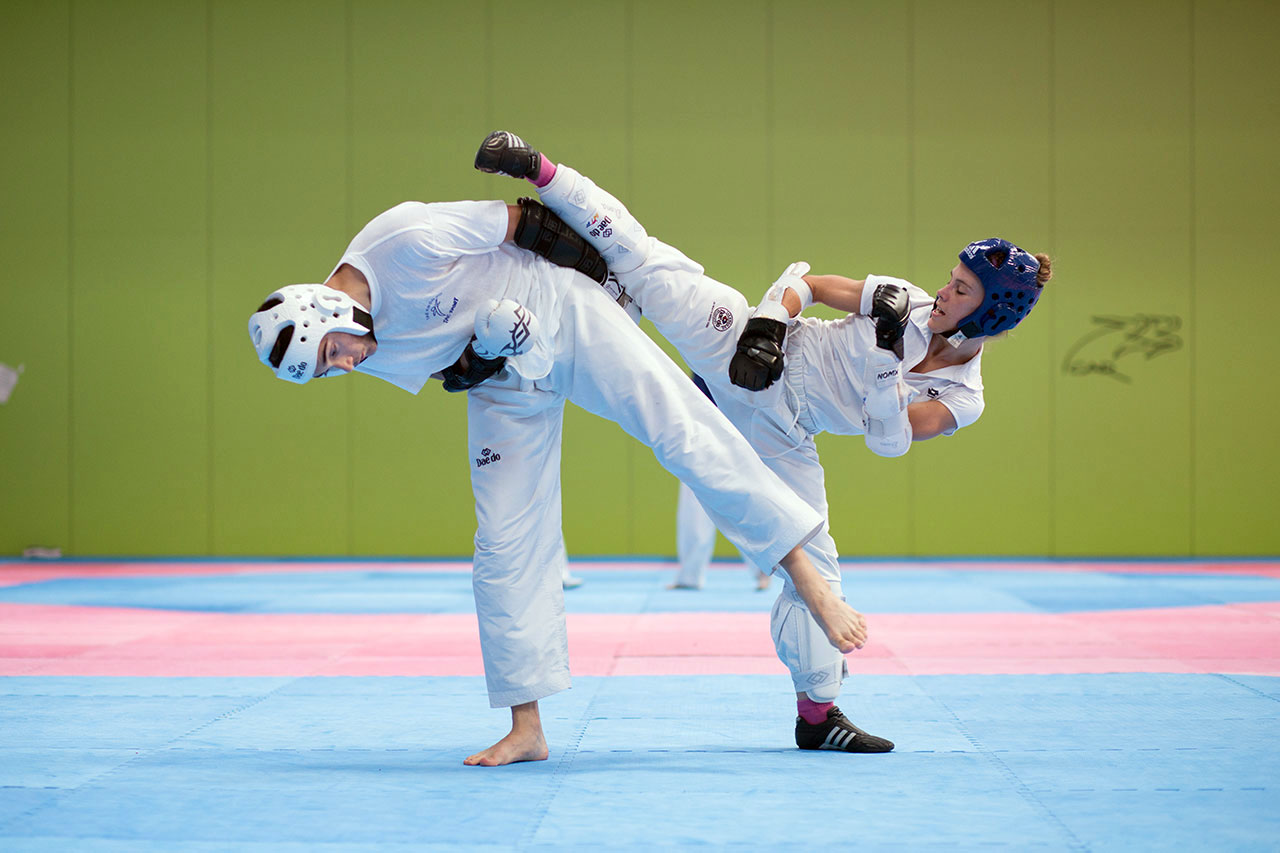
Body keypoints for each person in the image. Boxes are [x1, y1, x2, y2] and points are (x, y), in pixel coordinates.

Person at [248, 188, 878, 765]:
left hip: (563, 311)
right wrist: (475, 360)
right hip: (504, 381)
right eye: (331, 372)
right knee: (502, 538)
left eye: (334, 354)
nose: (347, 367)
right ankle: (528, 727)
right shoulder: (365, 342)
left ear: (327, 308)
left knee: (683, 428)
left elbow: (523, 221)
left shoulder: (403, 239)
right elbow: (449, 363)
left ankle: (805, 576)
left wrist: (604, 278)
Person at [477, 130, 1052, 753]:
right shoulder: (906, 301)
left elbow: (890, 442)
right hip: (749, 352)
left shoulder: (965, 398)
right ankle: (542, 172)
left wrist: (888, 367)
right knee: (650, 264)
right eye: (951, 277)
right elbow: (811, 284)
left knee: (818, 568)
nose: (943, 291)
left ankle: (818, 716)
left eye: (962, 290)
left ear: (992, 315)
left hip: (783, 434)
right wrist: (772, 325)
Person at [670, 373, 770, 592]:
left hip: (738, 430)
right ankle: (690, 573)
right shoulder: (697, 349)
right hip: (700, 430)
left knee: (745, 503)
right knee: (693, 505)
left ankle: (763, 569)